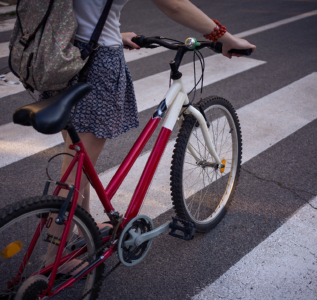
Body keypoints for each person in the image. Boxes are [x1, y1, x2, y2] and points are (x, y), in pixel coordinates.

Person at [42, 0, 256, 273]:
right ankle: (52, 261)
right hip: (94, 64)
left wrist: (113, 33)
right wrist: (224, 38)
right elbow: (174, 4)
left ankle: (81, 225)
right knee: (75, 173)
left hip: (61, 55)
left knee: (79, 159)